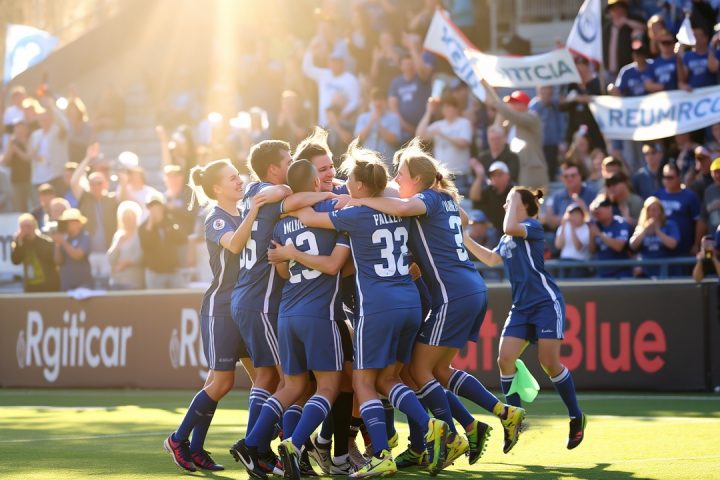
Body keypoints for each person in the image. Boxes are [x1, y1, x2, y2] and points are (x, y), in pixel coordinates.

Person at [341, 139, 525, 465]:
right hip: (468, 288)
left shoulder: (424, 199)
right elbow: (464, 218)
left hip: (451, 294)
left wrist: (360, 200)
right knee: (438, 370)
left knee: (418, 369)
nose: (397, 179)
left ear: (418, 179)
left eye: (401, 173)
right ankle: (496, 414)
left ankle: (448, 437)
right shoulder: (443, 197)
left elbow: (402, 208)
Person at [290, 141, 452, 478]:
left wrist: (297, 203)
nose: (345, 183)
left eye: (350, 179)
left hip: (377, 307)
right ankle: (429, 425)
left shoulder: (354, 215)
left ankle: (381, 453)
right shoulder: (400, 209)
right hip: (410, 302)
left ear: (362, 185)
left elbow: (306, 217)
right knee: (388, 378)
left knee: (363, 382)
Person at [164, 158, 282, 473]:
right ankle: (178, 439)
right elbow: (234, 244)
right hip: (221, 309)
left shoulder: (242, 211)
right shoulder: (215, 218)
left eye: (237, 175)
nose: (239, 180)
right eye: (231, 178)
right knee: (223, 382)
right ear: (216, 188)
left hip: (244, 307)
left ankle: (230, 448)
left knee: (260, 379)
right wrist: (254, 211)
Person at [229, 140, 337, 476]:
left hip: (262, 299)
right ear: (273, 169)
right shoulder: (277, 197)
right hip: (266, 300)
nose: (291, 166)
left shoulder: (256, 196)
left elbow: (282, 266)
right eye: (288, 161)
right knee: (295, 383)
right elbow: (295, 199)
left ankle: (259, 448)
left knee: (277, 379)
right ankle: (265, 447)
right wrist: (328, 195)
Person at [463, 187, 586, 450]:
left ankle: (576, 416)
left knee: (549, 363)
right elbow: (492, 259)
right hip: (521, 308)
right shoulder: (508, 236)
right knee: (505, 359)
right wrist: (464, 237)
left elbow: (509, 227)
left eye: (508, 202)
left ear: (522, 204)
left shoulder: (532, 226)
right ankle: (514, 420)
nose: (504, 206)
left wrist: (516, 194)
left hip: (545, 303)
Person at [482, 83, 548, 189]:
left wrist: (498, 105)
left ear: (524, 104)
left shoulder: (532, 117)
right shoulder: (510, 122)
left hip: (530, 169)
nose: (510, 105)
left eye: (514, 103)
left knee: (530, 196)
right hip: (514, 166)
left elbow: (513, 116)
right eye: (510, 103)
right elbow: (496, 130)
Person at [416, 94, 473, 195]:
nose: (446, 109)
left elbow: (464, 143)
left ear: (456, 108)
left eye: (448, 106)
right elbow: (419, 135)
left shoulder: (464, 123)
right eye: (444, 107)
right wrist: (429, 112)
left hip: (459, 175)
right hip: (441, 175)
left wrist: (443, 135)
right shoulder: (439, 124)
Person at [302, 45, 360, 127]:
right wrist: (310, 51)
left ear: (343, 63)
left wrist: (342, 116)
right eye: (332, 61)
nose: (334, 64)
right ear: (329, 63)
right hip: (323, 124)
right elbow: (307, 69)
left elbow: (354, 101)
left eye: (337, 62)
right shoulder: (324, 75)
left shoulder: (351, 79)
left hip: (340, 125)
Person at [138, 192, 185, 289]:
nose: (155, 209)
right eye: (151, 206)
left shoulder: (171, 222)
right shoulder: (143, 227)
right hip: (155, 273)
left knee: (178, 297)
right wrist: (150, 225)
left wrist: (165, 223)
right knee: (156, 299)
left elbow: (181, 239)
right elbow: (146, 245)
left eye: (157, 206)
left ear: (163, 207)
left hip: (173, 271)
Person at [654, 162, 701, 256]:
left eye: (670, 177)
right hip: (661, 249)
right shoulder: (657, 196)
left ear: (679, 177)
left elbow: (698, 221)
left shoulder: (690, 196)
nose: (667, 180)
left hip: (684, 248)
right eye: (665, 177)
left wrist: (696, 244)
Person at [29, 96, 71, 197]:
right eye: (41, 119)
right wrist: (34, 156)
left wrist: (52, 108)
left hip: (56, 175)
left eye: (46, 118)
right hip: (39, 177)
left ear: (51, 119)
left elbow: (66, 125)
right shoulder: (36, 135)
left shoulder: (58, 132)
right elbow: (31, 154)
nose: (43, 121)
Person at [629, 196, 680, 277]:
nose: (652, 213)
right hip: (646, 270)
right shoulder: (641, 227)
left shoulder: (670, 225)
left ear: (661, 211)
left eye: (655, 210)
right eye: (649, 210)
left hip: (665, 269)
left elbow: (673, 244)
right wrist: (644, 231)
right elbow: (632, 245)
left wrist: (657, 231)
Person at [388, 54, 432, 143]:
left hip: (424, 127)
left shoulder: (422, 78)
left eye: (411, 64)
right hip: (404, 130)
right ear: (401, 67)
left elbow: (422, 70)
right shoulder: (396, 82)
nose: (409, 67)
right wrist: (404, 125)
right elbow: (393, 106)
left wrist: (413, 49)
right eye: (406, 64)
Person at [11, 213, 60, 292]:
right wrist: (18, 242)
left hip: (47, 284)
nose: (25, 229)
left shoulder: (45, 242)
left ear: (34, 226)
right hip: (30, 286)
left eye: (28, 226)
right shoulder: (21, 243)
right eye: (22, 226)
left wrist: (32, 238)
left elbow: (51, 260)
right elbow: (16, 261)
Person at [354, 88, 401, 170]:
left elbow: (394, 140)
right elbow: (359, 138)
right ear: (370, 102)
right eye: (375, 100)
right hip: (367, 162)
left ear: (385, 102)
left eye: (380, 99)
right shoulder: (363, 117)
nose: (378, 103)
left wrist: (378, 122)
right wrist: (371, 121)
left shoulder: (393, 118)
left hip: (387, 164)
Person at [544, 161, 597, 230]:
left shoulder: (592, 194)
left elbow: (596, 220)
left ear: (580, 176)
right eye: (566, 176)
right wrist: (570, 218)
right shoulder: (557, 196)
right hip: (562, 234)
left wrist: (584, 209)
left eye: (573, 176)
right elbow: (550, 222)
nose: (569, 179)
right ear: (562, 178)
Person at [588, 197, 632, 278]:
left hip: (621, 273)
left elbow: (619, 247)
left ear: (609, 208)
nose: (597, 211)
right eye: (595, 210)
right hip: (603, 273)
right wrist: (592, 234)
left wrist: (600, 234)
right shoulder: (596, 225)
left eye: (600, 208)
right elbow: (592, 250)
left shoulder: (620, 223)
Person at [529, 86, 566, 181]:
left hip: (553, 143)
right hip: (539, 144)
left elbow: (561, 122)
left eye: (549, 89)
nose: (547, 92)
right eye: (544, 89)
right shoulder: (534, 105)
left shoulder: (555, 105)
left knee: (552, 169)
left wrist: (561, 140)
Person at [51, 208, 93, 291]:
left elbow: (78, 255)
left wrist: (63, 242)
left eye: (71, 221)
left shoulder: (85, 237)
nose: (68, 224)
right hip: (66, 285)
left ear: (79, 223)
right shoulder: (64, 238)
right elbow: (58, 261)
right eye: (66, 222)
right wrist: (57, 244)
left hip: (83, 285)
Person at [107, 201, 144, 290]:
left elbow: (140, 256)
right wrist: (117, 245)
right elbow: (111, 259)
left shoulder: (140, 235)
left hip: (133, 281)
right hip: (117, 281)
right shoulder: (118, 235)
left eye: (129, 217)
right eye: (124, 217)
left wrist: (125, 264)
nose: (127, 220)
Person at [469, 160, 514, 233]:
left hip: (510, 230)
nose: (496, 177)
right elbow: (474, 197)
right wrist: (479, 176)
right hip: (491, 230)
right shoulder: (488, 190)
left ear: (508, 176)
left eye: (499, 174)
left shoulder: (514, 192)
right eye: (493, 175)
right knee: (476, 216)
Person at [1, 121, 32, 211]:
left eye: (21, 129)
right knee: (20, 209)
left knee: (32, 207)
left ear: (26, 130)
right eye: (17, 130)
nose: (19, 132)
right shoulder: (12, 142)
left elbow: (28, 158)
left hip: (30, 180)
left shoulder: (31, 140)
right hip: (16, 180)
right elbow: (5, 161)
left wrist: (17, 148)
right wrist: (10, 147)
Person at [554, 204, 592, 278]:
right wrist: (563, 225)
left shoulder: (587, 228)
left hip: (580, 263)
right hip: (564, 261)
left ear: (582, 215)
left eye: (576, 214)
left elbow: (578, 247)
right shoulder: (563, 227)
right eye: (571, 214)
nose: (574, 216)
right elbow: (558, 245)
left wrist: (572, 228)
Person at [678, 24, 719, 90]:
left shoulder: (715, 52)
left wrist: (711, 47)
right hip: (694, 93)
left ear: (705, 38)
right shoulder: (687, 56)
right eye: (693, 35)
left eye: (697, 35)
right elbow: (683, 78)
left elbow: (713, 68)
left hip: (712, 92)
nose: (694, 37)